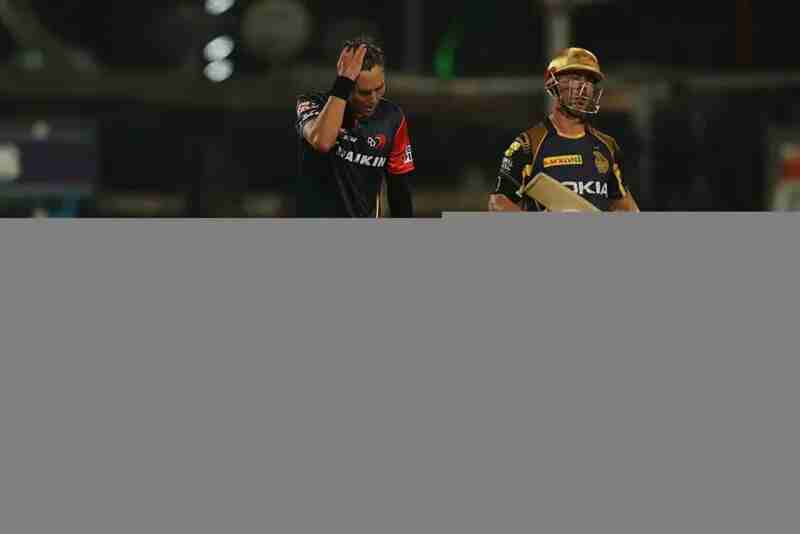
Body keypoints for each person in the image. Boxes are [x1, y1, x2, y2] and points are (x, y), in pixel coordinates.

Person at [488, 47, 640, 212]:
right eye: (575, 78)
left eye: (589, 81)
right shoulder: (528, 144)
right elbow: (498, 204)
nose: (584, 87)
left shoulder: (607, 146)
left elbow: (627, 208)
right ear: (553, 84)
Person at [295, 36, 415, 217]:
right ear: (346, 85)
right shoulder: (312, 103)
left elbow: (399, 189)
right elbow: (322, 142)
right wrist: (343, 82)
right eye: (364, 93)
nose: (373, 99)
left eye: (379, 88)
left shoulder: (392, 117)